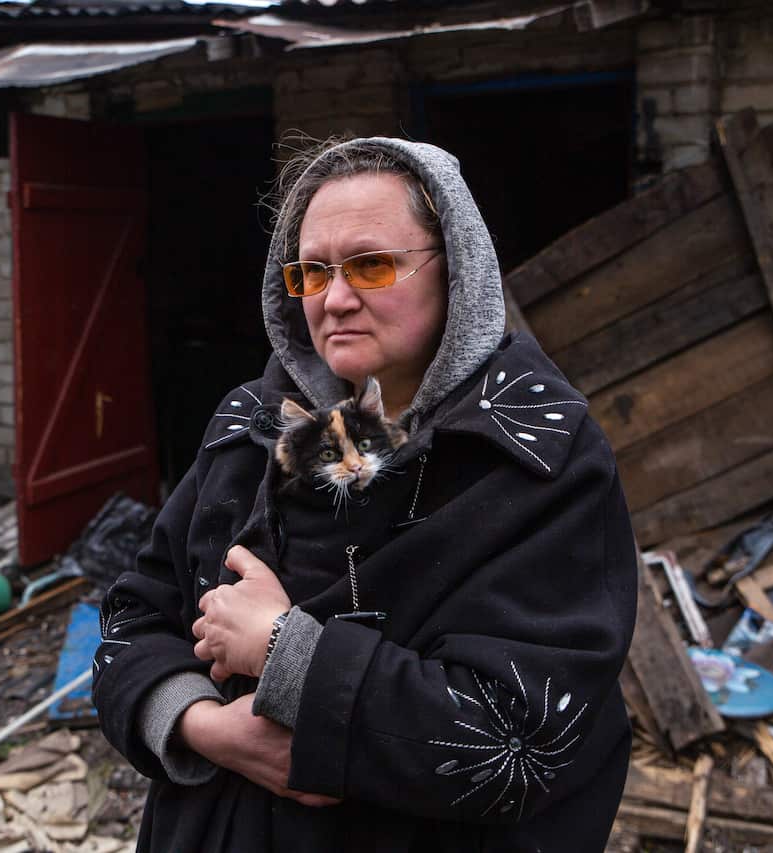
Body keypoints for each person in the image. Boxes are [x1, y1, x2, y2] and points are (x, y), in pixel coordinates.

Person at [92, 136, 638, 852]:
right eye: (311, 272)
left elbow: (518, 745)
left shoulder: (536, 457)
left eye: (371, 265)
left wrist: (287, 651)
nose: (336, 299)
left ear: (456, 270)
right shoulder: (251, 425)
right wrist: (204, 726)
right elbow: (133, 617)